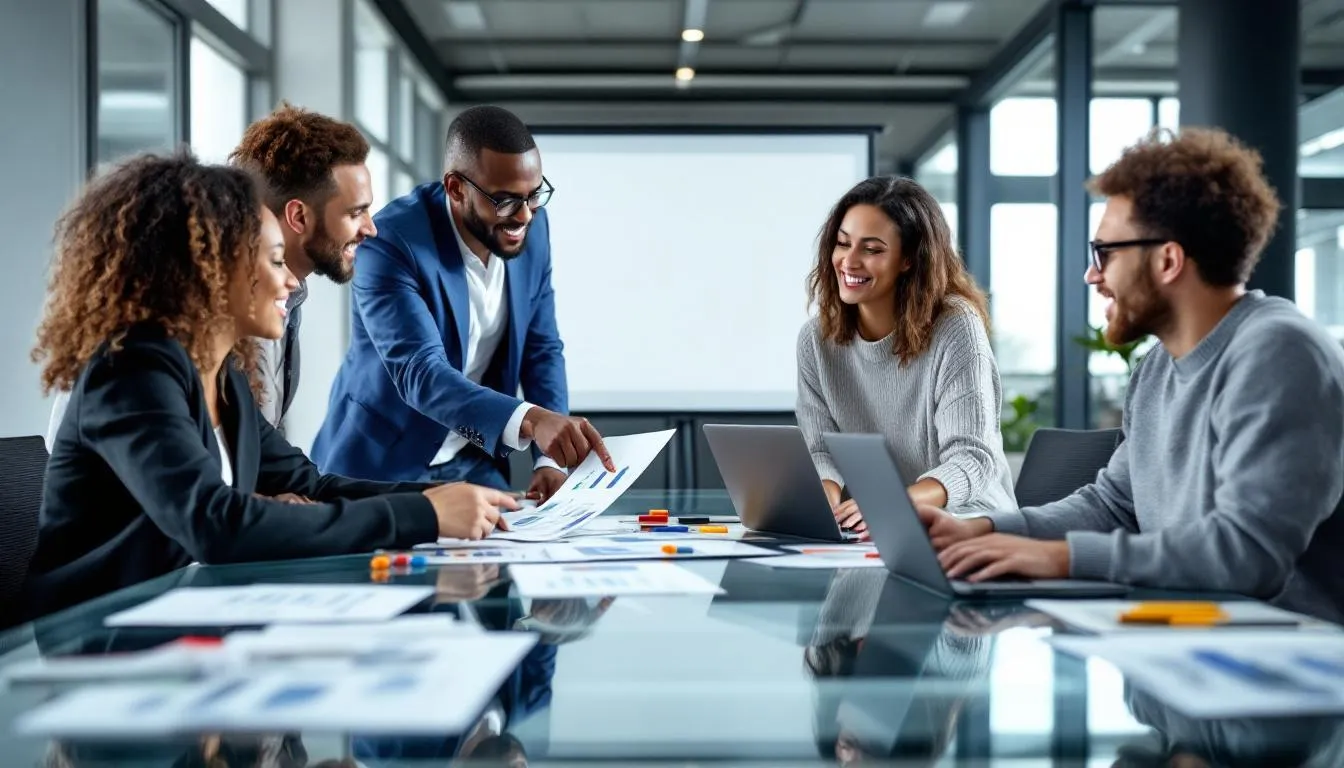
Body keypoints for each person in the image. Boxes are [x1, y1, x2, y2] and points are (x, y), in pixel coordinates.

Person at [24, 151, 516, 620]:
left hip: (187, 619)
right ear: (214, 270)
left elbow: (311, 485)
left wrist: (448, 497)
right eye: (276, 261)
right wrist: (423, 516)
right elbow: (214, 523)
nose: (291, 282)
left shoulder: (223, 379)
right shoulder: (131, 370)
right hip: (95, 645)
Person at [921, 127, 1344, 618]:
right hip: (1187, 642)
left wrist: (1058, 558)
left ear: (1168, 259)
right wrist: (988, 530)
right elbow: (1115, 507)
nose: (1092, 275)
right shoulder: (1157, 367)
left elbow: (1245, 554)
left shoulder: (1279, 354)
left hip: (1283, 670)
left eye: (1105, 252)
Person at [312, 105, 613, 499]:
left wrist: (548, 459)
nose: (523, 215)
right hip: (382, 465)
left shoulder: (532, 230)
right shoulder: (390, 242)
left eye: (533, 195)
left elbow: (541, 349)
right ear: (456, 188)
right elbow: (421, 373)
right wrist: (532, 420)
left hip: (473, 460)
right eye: (505, 200)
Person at [40, 103, 376, 447]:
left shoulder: (280, 306)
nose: (371, 228)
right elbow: (191, 487)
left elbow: (265, 460)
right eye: (357, 211)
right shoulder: (163, 346)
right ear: (298, 217)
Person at [796, 176, 1016, 533]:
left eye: (872, 249)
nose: (848, 262)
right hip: (874, 525)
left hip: (967, 520)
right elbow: (821, 450)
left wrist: (892, 506)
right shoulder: (816, 340)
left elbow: (972, 459)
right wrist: (825, 505)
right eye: (842, 243)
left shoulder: (956, 327)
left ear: (909, 260)